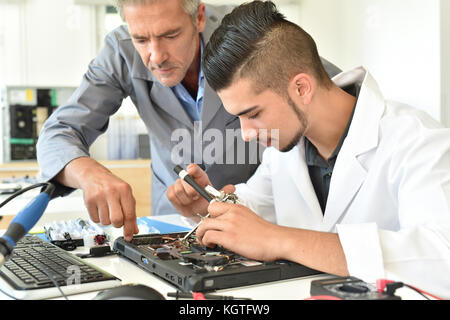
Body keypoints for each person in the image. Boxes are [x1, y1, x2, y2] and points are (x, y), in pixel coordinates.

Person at [167, 1, 450, 298]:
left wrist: (281, 240)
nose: (246, 134)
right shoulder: (285, 149)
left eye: (253, 114)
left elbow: (443, 258)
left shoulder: (420, 142)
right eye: (238, 117)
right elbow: (255, 207)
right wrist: (208, 205)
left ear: (301, 88)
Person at [36, 0, 342, 242]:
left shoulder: (244, 38)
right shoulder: (120, 52)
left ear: (198, 17)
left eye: (170, 35)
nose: (156, 56)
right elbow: (59, 132)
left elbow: (329, 92)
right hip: (175, 217)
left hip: (255, 212)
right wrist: (88, 173)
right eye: (141, 39)